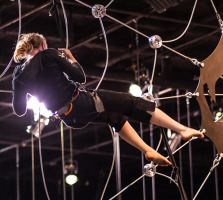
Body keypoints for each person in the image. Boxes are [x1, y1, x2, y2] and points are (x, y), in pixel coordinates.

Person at [12, 33, 204, 166]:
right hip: (80, 102)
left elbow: (19, 110)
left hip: (69, 118)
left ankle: (148, 150)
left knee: (115, 118)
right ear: (42, 46)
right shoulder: (49, 54)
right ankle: (182, 129)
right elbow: (80, 77)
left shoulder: (18, 76)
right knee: (133, 102)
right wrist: (71, 59)